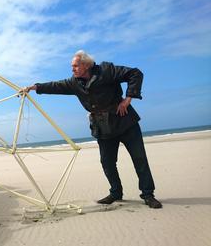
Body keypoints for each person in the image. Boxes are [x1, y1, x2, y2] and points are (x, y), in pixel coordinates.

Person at [22, 50, 162, 209]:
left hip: (125, 121)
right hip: (102, 127)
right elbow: (56, 85)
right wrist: (34, 87)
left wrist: (128, 99)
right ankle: (116, 193)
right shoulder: (75, 83)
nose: (72, 69)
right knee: (107, 163)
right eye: (72, 66)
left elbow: (135, 73)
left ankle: (148, 195)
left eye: (75, 66)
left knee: (139, 159)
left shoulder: (106, 71)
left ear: (87, 65)